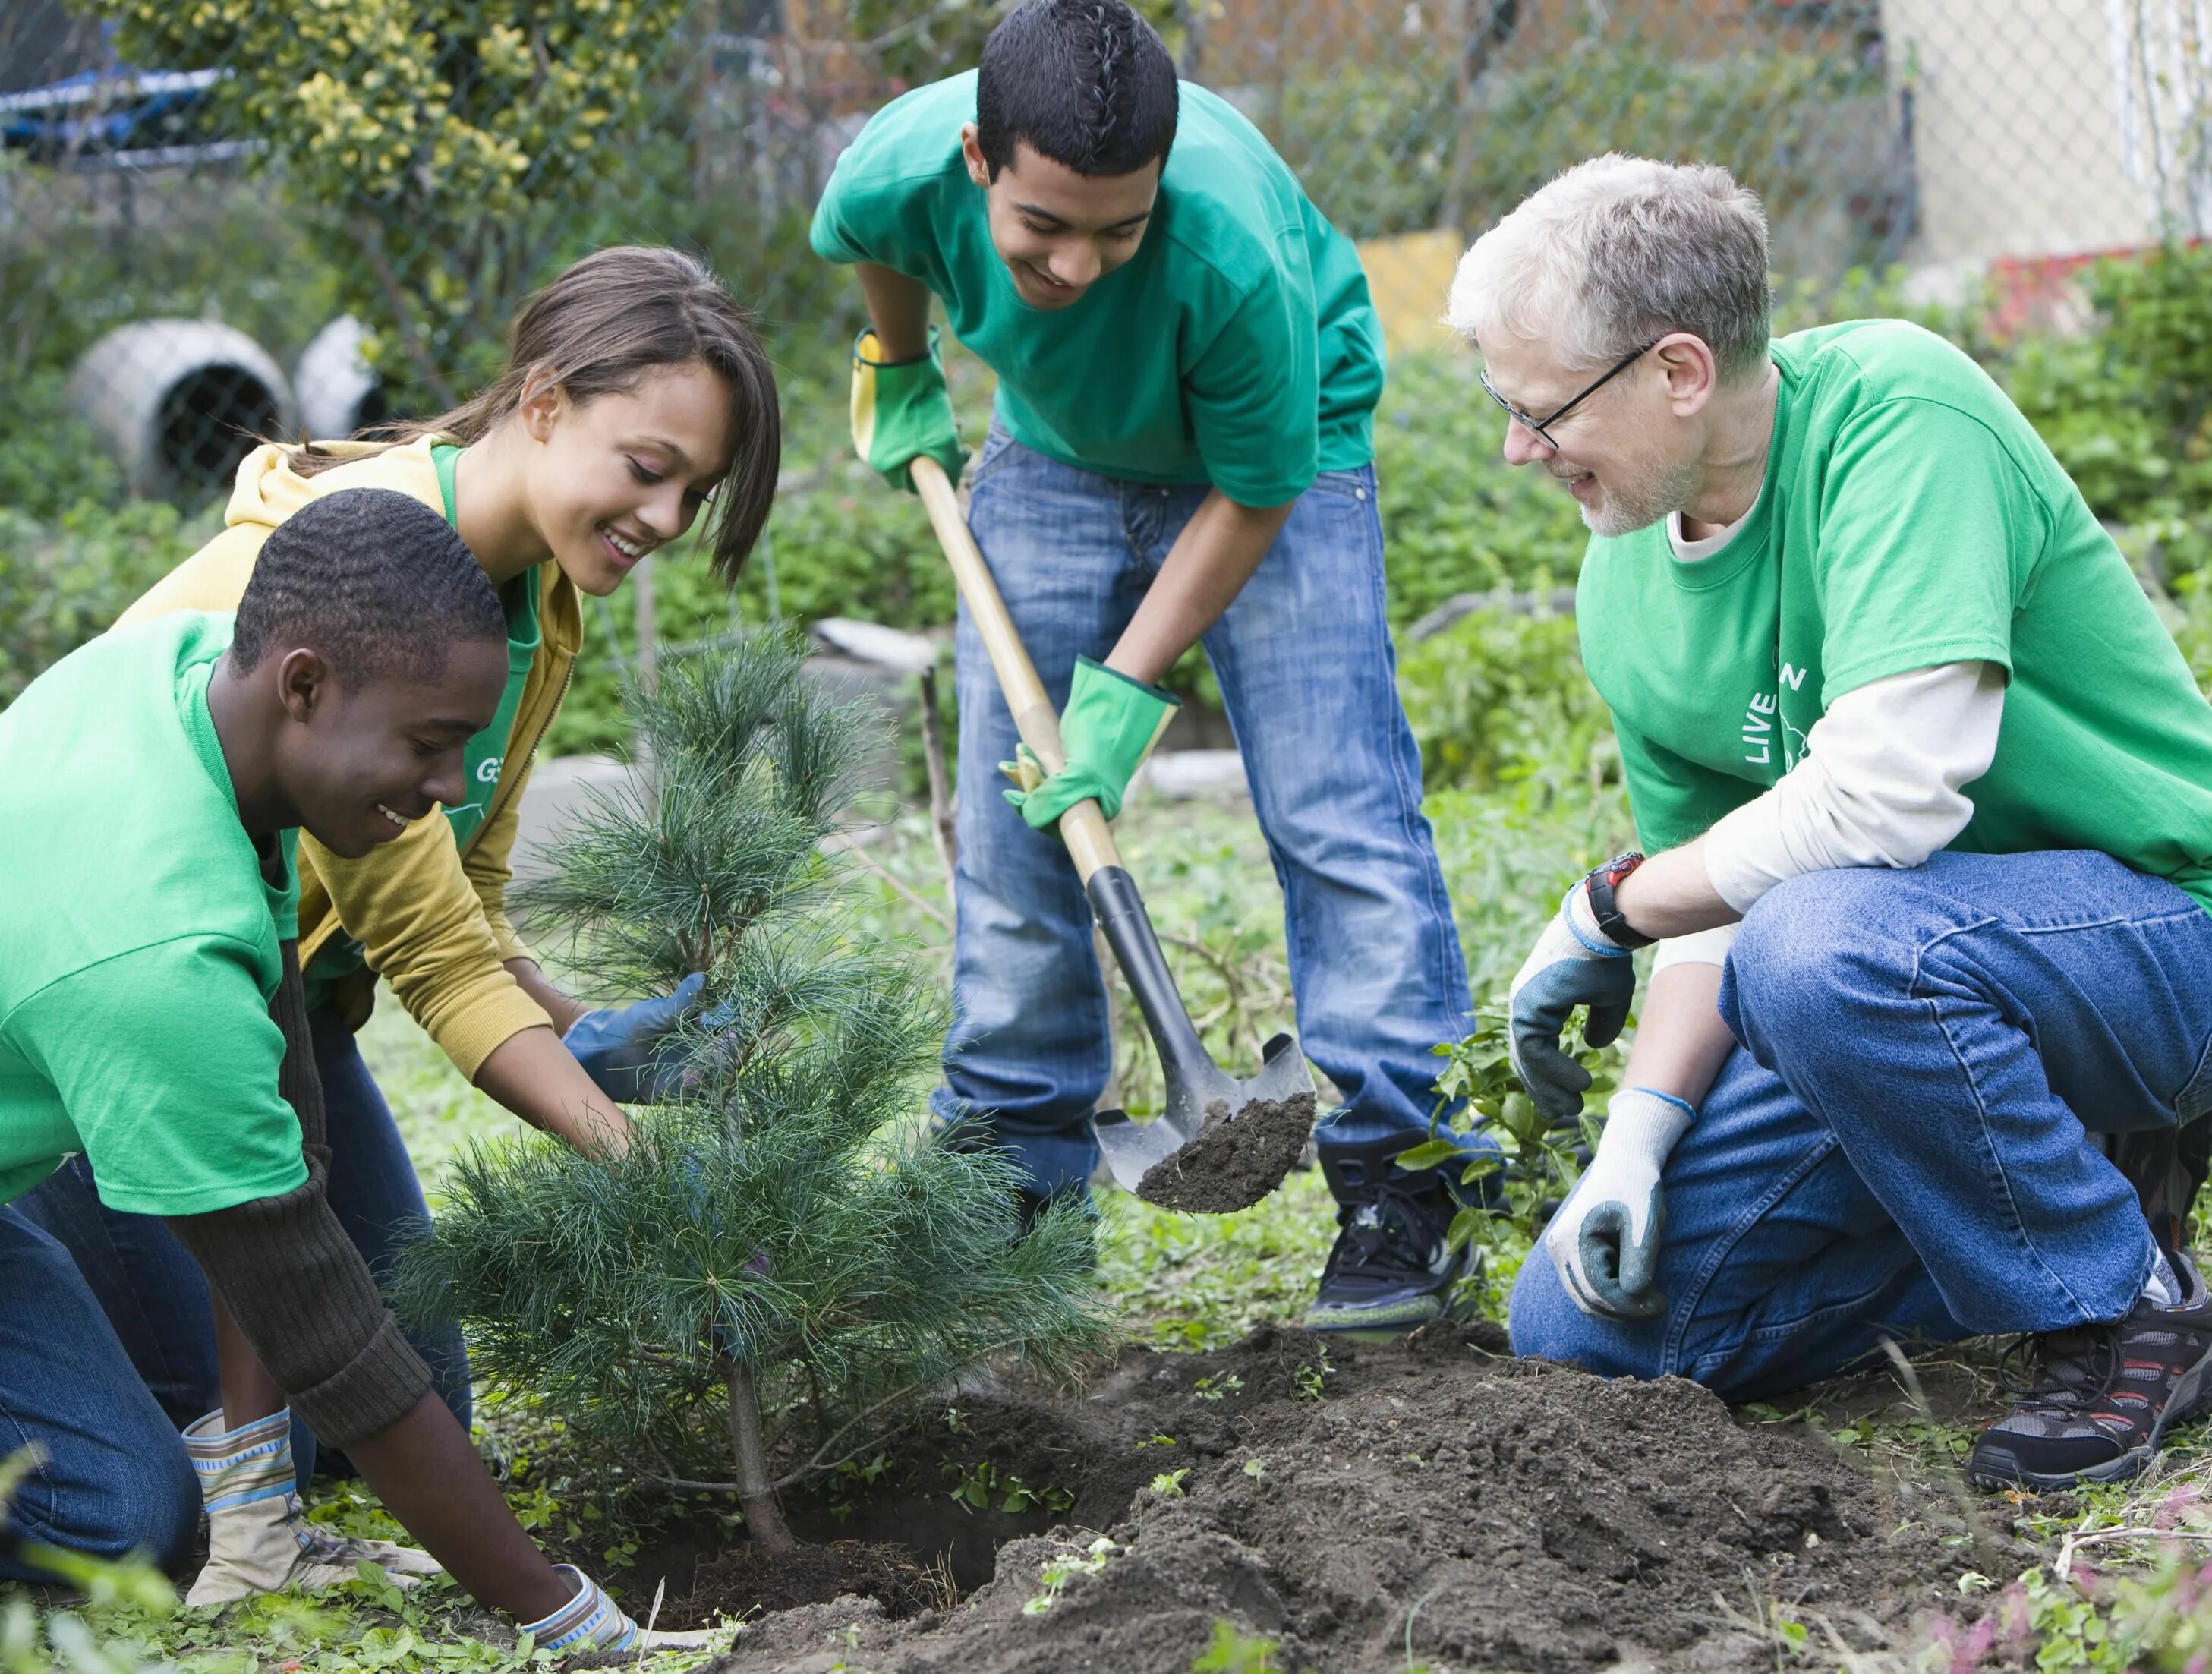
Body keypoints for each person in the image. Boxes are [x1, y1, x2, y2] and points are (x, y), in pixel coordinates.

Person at [1455, 155, 2212, 1490]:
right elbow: (1715, 903)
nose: (1516, 447)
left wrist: (1606, 905)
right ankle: (2059, 1181)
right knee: (1577, 1322)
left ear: (1677, 370)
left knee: (1822, 940)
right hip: (1900, 982)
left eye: (1542, 409)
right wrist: (1636, 1139)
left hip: (2177, 938)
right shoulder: (1625, 577)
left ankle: (2126, 1306)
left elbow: (1887, 797)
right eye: (1507, 403)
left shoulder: (1901, 417)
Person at [14, 244, 780, 1565]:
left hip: (287, 1025)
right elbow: (435, 958)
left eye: (694, 493)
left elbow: (463, 892)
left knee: (415, 1392)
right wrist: (639, 1161)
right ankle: (90, 1310)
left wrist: (576, 1021)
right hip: (122, 1030)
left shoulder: (533, 596)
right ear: (542, 401)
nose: (664, 517)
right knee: (243, 1446)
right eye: (648, 468)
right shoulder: (349, 593)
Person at [811, 0, 1493, 1335]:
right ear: (976, 160)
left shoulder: (1228, 247)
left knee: (1332, 805)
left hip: (1275, 462)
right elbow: (875, 242)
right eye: (1043, 229)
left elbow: (1253, 488)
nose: (1081, 264)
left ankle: (1402, 1180)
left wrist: (1125, 689)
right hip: (1053, 451)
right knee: (1018, 831)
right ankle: (1015, 1182)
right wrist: (899, 362)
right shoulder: (895, 164)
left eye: (1119, 230)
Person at [0, 489, 698, 1651]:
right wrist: (564, 1614)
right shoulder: (154, 954)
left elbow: (283, 1096)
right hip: (87, 1033)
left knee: (203, 1465)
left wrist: (255, 1473)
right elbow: (323, 1325)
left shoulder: (181, 684)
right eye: (427, 744)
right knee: (128, 1522)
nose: (444, 789)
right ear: (307, 684)